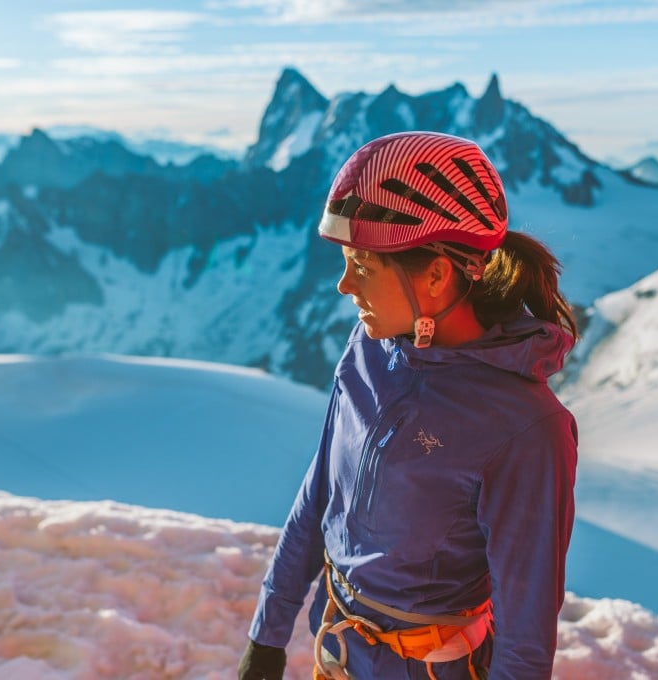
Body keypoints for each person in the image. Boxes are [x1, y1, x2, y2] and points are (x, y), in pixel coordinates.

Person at [238, 131, 579, 680]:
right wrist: (267, 636)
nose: (344, 286)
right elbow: (321, 491)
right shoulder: (367, 350)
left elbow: (526, 632)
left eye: (364, 268)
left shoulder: (527, 428)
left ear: (438, 275)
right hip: (341, 651)